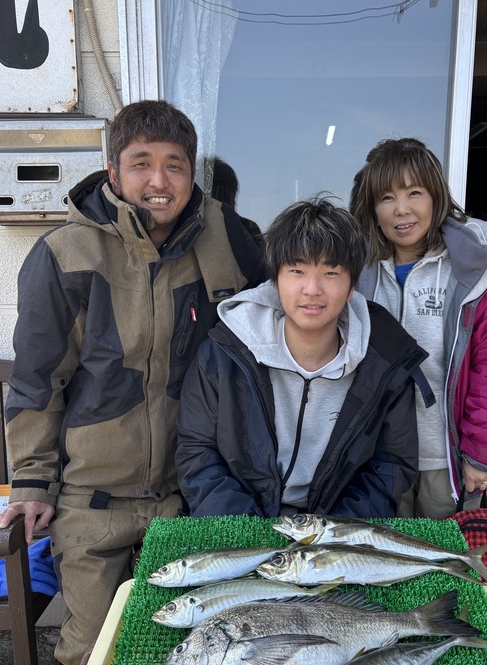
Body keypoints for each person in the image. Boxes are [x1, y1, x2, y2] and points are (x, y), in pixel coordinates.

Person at [0, 99, 266, 665]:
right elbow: (38, 377)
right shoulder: (65, 254)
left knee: (202, 655)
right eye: (141, 163)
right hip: (93, 499)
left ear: (193, 174)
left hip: (192, 494)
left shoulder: (229, 241)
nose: (159, 180)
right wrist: (32, 481)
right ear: (114, 172)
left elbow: (271, 350)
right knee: (96, 658)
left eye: (174, 164)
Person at [176, 195, 432, 519]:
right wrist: (249, 529)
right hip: (245, 523)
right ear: (276, 281)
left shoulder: (385, 361)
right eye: (297, 270)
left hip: (336, 530)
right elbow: (196, 452)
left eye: (330, 273)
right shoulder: (224, 352)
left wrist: (329, 532)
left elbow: (391, 465)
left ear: (352, 285)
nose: (312, 289)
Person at [351, 137, 487, 519]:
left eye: (414, 192)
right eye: (386, 198)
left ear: (436, 197)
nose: (402, 210)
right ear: (372, 208)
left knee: (450, 566)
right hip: (378, 455)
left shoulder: (477, 273)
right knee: (387, 565)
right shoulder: (355, 272)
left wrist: (481, 454)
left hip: (449, 458)